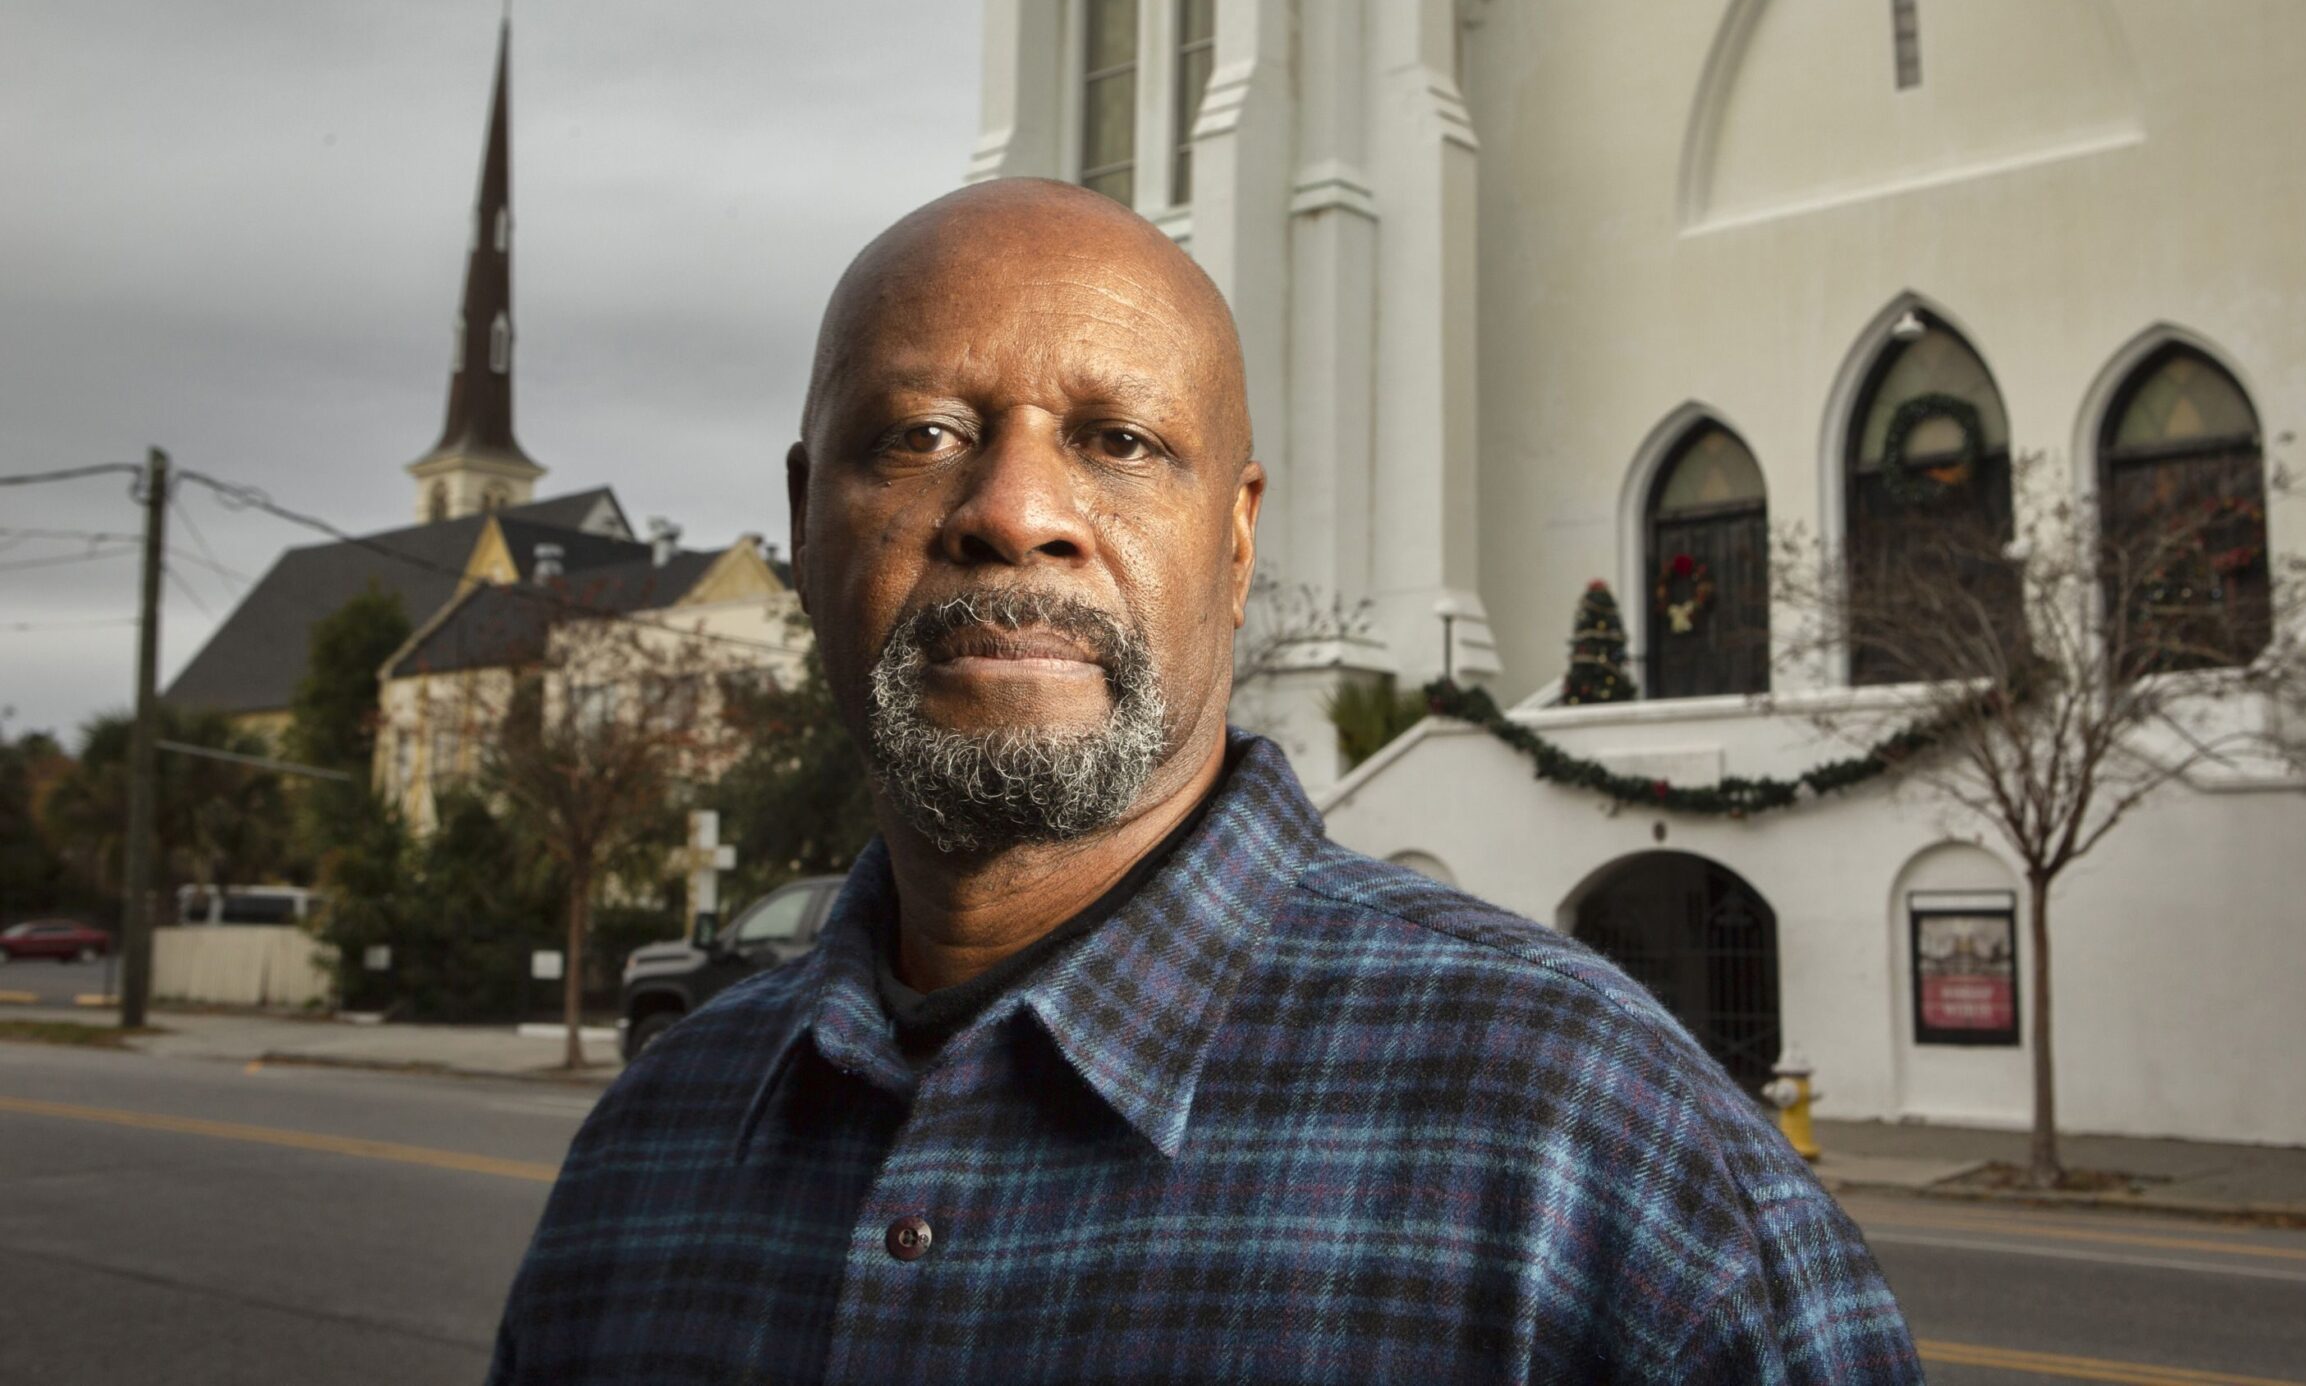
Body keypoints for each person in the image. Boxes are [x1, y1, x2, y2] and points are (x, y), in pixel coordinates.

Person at [488, 179, 1921, 1383]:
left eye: (1118, 442)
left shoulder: (1588, 1136)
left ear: (1236, 546)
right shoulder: (644, 1160)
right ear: (804, 522)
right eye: (923, 432)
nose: (1015, 512)